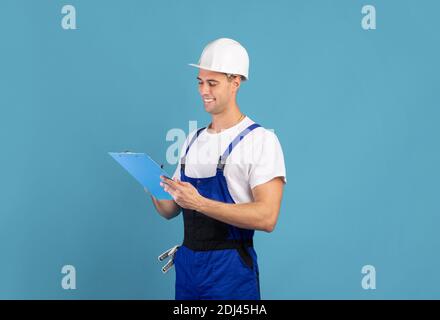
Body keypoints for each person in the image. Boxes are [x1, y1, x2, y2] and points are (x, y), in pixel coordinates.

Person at [149, 38, 286, 300]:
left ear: (235, 82)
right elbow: (170, 210)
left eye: (212, 83)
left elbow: (267, 217)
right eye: (200, 82)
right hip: (189, 267)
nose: (204, 90)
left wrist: (199, 202)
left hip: (230, 271)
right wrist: (150, 182)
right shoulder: (192, 140)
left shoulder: (260, 140)